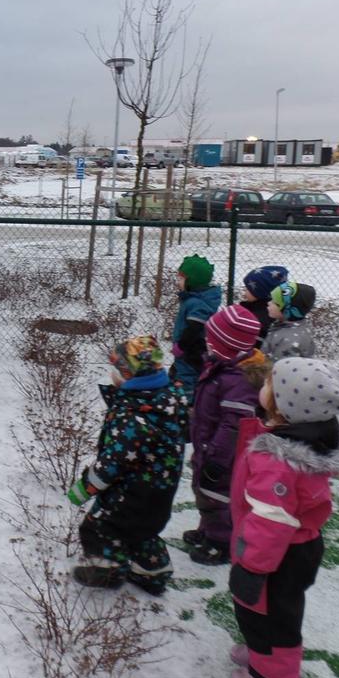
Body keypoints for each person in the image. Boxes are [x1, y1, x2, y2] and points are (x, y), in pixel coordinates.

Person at [228, 358, 339, 678]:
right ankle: (261, 652)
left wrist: (251, 568)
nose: (261, 386)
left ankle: (272, 672)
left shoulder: (277, 462)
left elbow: (271, 519)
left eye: (267, 385)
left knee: (272, 616)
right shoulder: (300, 437)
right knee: (268, 611)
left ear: (283, 405)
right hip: (292, 546)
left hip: (276, 554)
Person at [67, 336, 188, 596]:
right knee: (143, 532)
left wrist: (86, 486)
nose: (112, 373)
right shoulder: (167, 401)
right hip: (161, 490)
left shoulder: (132, 417)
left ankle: (107, 570)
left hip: (131, 493)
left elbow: (113, 463)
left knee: (99, 527)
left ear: (130, 374)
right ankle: (154, 573)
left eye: (118, 368)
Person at [184, 304, 268, 566]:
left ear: (226, 344)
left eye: (212, 338)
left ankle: (221, 542)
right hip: (208, 446)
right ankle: (208, 529)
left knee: (217, 496)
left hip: (223, 456)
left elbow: (234, 425)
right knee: (203, 491)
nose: (207, 342)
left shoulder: (238, 381)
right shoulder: (221, 366)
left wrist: (218, 459)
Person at [170, 254, 222, 402]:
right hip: (186, 355)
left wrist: (180, 346)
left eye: (181, 278)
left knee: (188, 381)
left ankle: (188, 406)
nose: (178, 282)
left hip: (190, 354)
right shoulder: (194, 299)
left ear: (192, 281)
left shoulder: (196, 303)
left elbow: (194, 327)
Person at [264, 282, 317, 360]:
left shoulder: (290, 341)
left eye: (274, 302)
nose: (269, 303)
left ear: (287, 311)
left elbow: (280, 369)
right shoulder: (284, 327)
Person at [240, 266, 289, 346]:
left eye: (248, 289)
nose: (244, 291)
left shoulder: (260, 320)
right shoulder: (256, 307)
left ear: (260, 293)